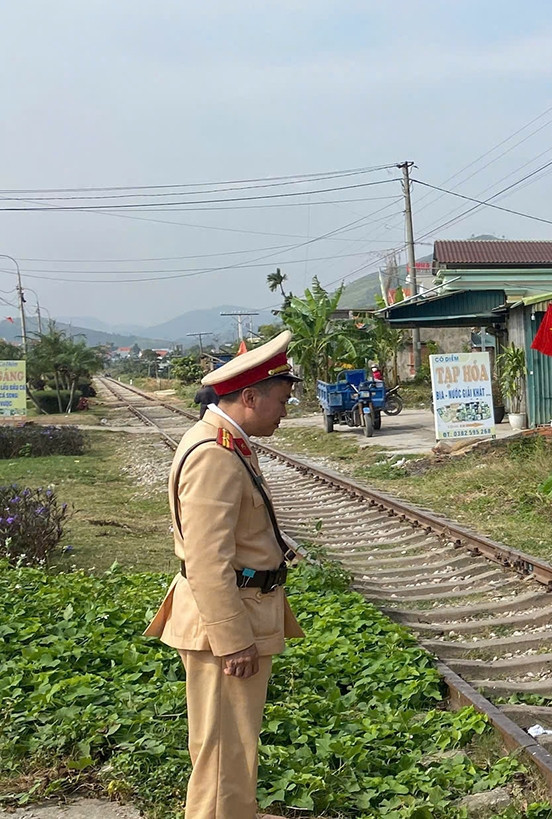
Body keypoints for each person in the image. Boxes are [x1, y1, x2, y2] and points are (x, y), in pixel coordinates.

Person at [145, 331, 306, 819]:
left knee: (230, 753)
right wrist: (233, 640)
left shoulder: (230, 443)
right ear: (250, 396)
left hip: (240, 614)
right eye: (280, 401)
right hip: (228, 625)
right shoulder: (216, 454)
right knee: (223, 757)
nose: (284, 411)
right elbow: (207, 559)